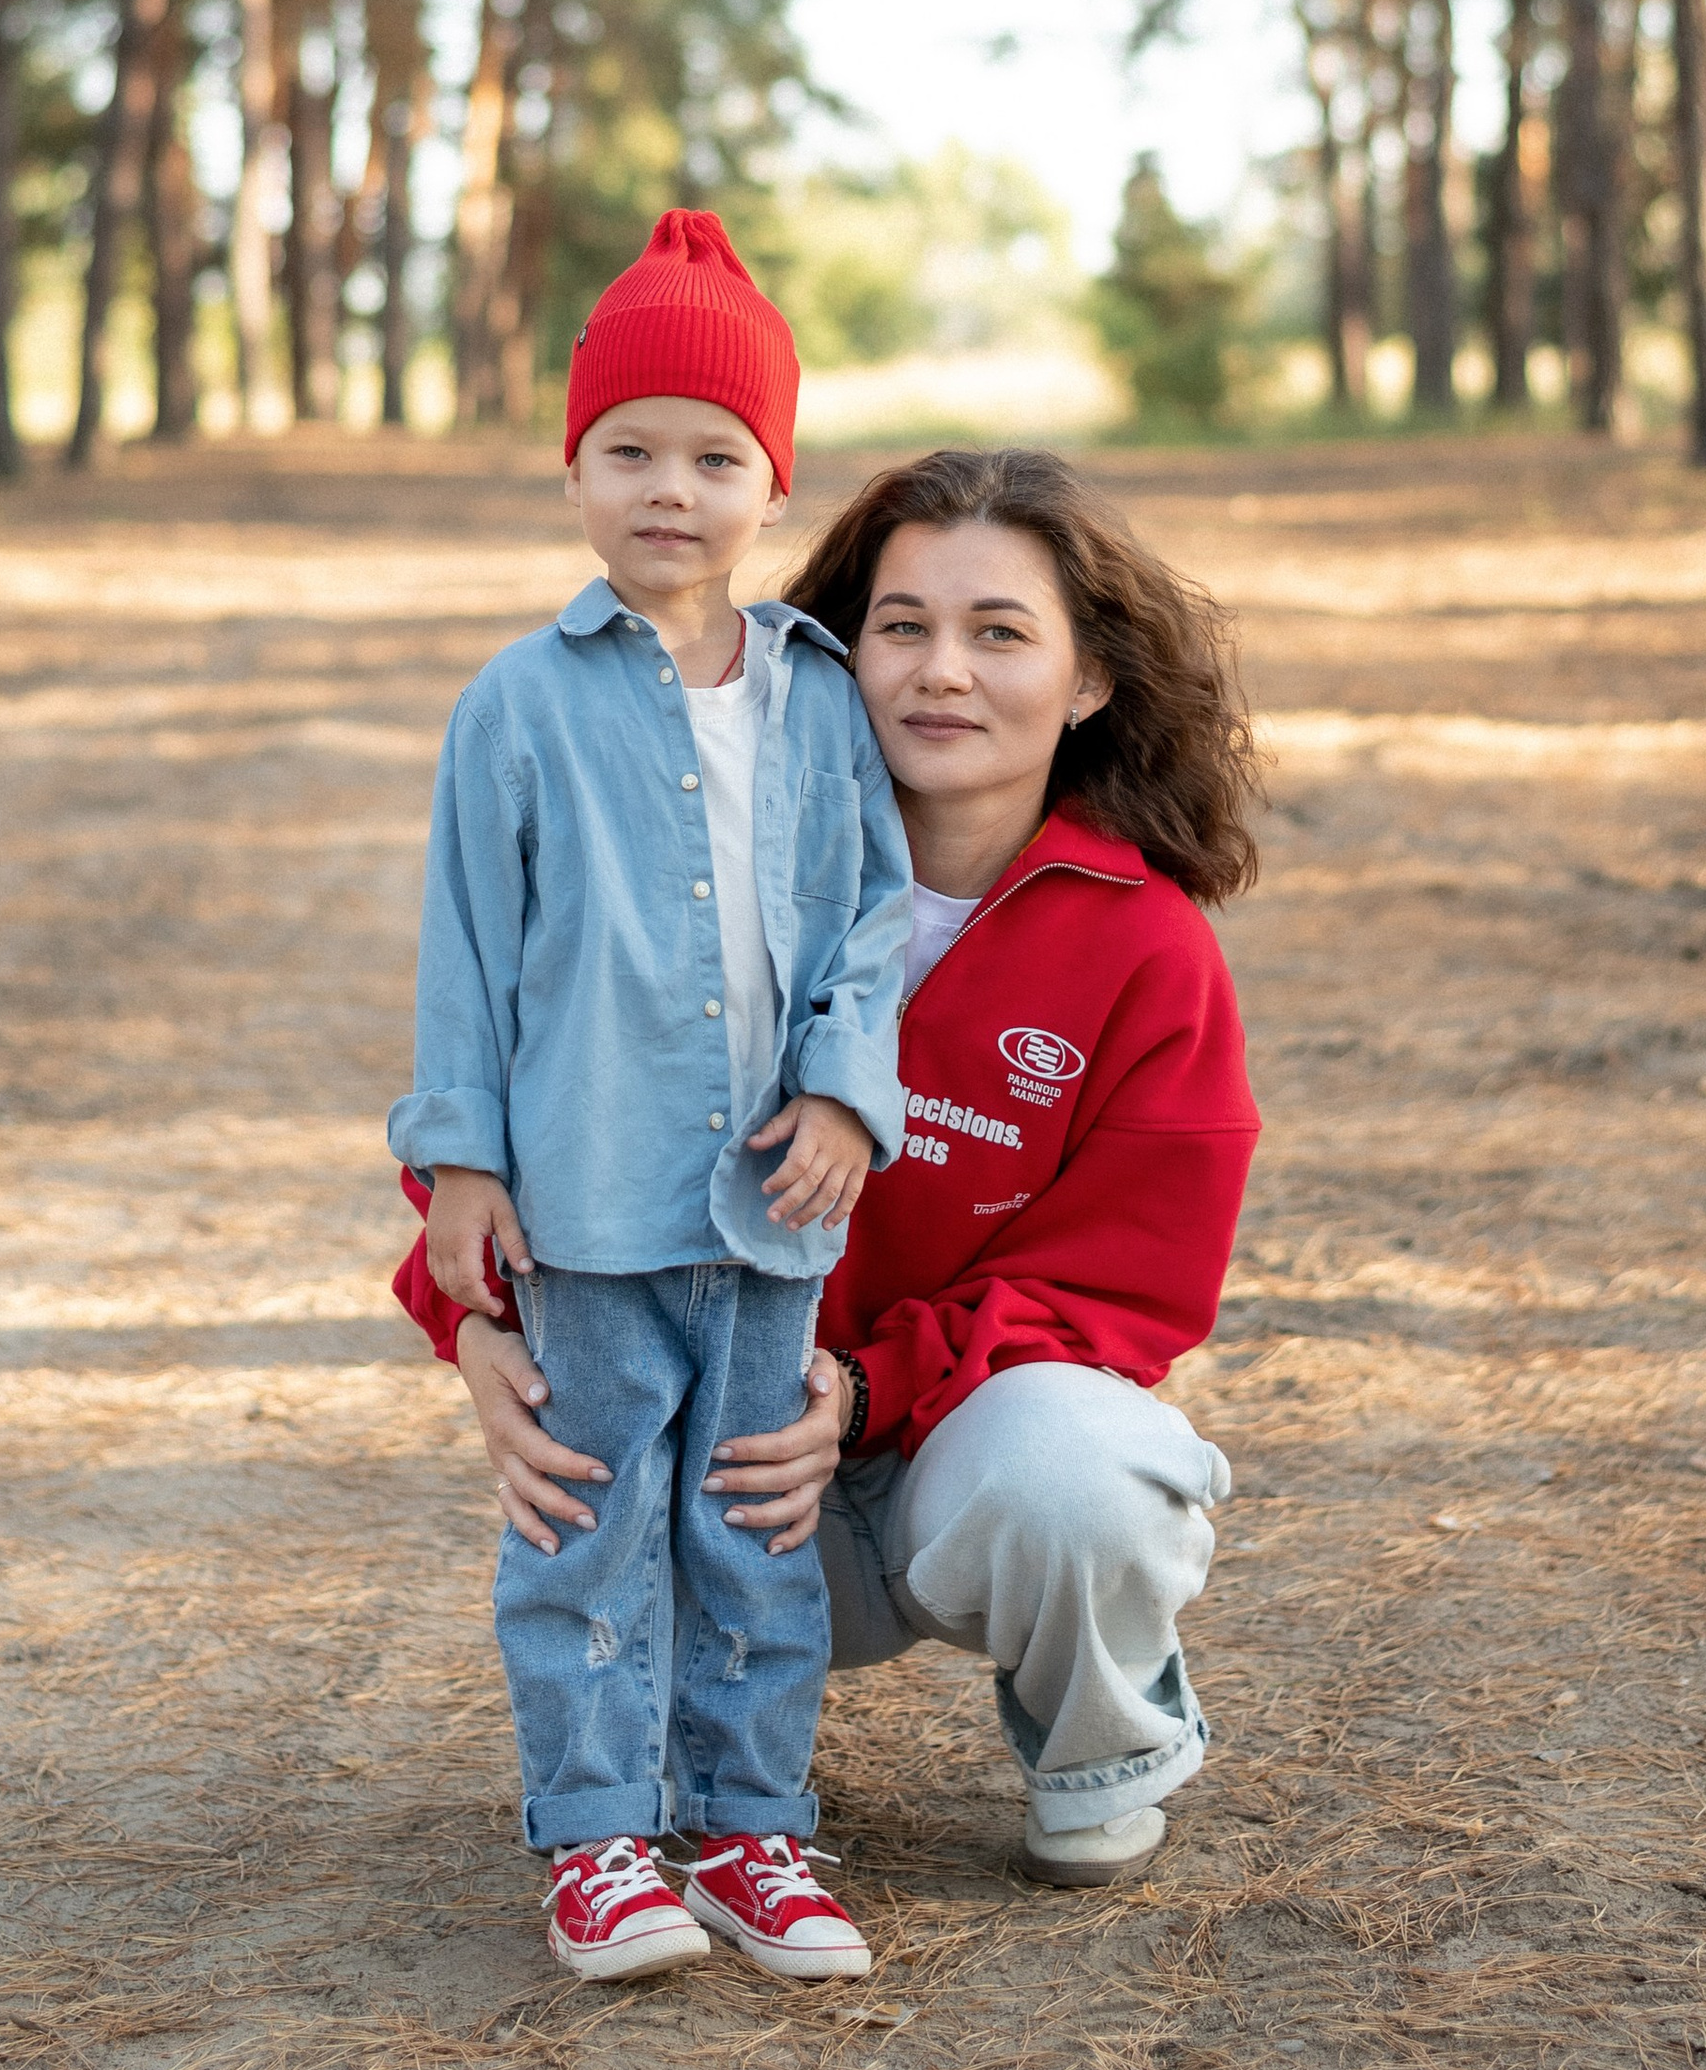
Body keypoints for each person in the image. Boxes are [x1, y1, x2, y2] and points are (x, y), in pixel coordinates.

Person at [411, 445, 1262, 1891]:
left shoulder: (1143, 944)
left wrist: (870, 1389)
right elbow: (540, 1087)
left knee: (1087, 1474)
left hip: (937, 1461)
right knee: (619, 1597)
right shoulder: (706, 872)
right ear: (830, 652)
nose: (944, 673)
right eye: (903, 626)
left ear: (1091, 680)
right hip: (718, 1462)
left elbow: (1128, 1292)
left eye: (1001, 633)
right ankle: (684, 1786)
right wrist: (474, 1325)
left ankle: (1103, 1748)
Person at [388, 212, 911, 1984]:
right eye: (628, 450)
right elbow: (465, 950)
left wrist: (848, 1090)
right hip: (594, 1205)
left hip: (772, 1218)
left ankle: (755, 1833)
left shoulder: (821, 702)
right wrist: (458, 1160)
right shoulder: (517, 707)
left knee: (754, 1520)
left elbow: (873, 917)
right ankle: (601, 1844)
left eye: (712, 453)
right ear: (573, 474)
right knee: (588, 1526)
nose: (666, 487)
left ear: (775, 481)